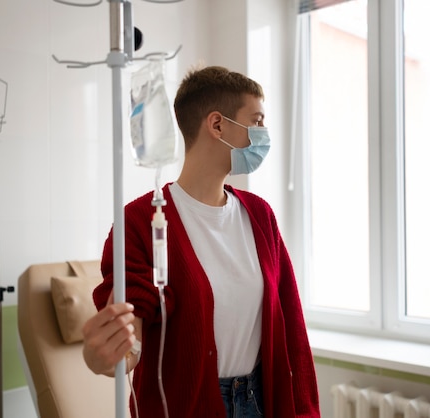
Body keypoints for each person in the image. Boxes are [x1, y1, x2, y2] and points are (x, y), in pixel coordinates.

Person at [82, 65, 320, 418]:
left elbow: (290, 326)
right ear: (218, 124)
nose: (263, 134)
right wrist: (105, 355)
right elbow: (130, 331)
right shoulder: (142, 222)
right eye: (256, 121)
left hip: (259, 400)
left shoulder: (259, 215)